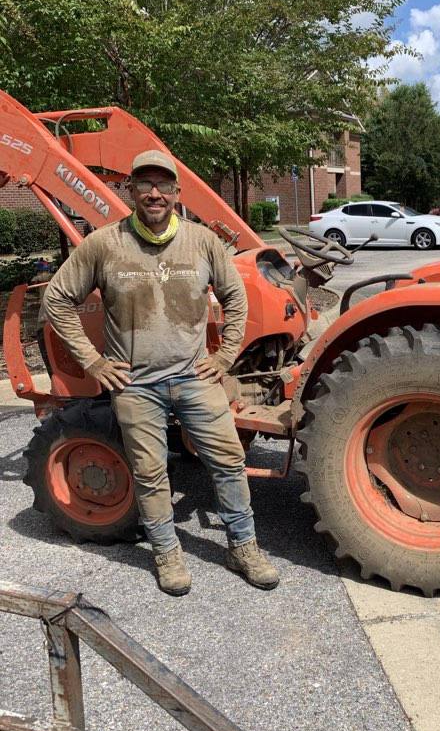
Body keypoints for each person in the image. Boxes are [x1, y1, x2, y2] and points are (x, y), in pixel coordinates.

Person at [42, 149, 279, 596]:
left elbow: (235, 296)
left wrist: (225, 356)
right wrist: (94, 362)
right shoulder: (104, 244)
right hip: (136, 385)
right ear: (130, 190)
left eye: (163, 185)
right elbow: (57, 299)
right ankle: (167, 553)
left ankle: (243, 546)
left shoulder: (202, 241)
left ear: (176, 192)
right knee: (150, 474)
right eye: (145, 184)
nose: (155, 193)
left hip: (195, 377)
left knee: (229, 461)